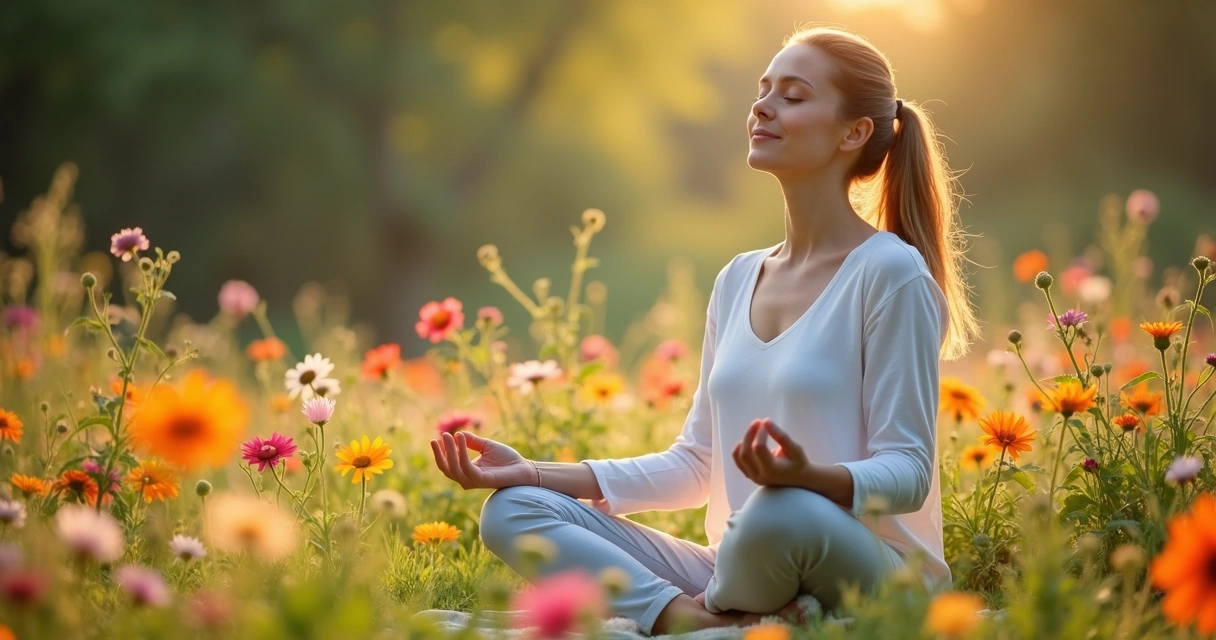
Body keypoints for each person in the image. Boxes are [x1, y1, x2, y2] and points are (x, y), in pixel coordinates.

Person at [429, 25, 979, 637]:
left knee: (781, 512)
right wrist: (532, 471)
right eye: (763, 89)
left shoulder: (890, 272)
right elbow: (695, 464)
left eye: (793, 96)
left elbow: (907, 471)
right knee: (511, 511)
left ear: (854, 133)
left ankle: (732, 609)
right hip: (743, 560)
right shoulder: (738, 278)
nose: (762, 106)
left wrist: (807, 480)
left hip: (871, 570)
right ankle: (689, 616)